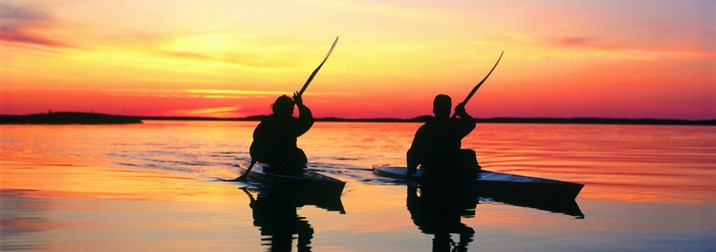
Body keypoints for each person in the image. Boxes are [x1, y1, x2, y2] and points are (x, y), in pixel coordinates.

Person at [406, 94, 479, 180]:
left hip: (451, 163)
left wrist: (463, 114)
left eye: (447, 108)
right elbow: (412, 152)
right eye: (442, 108)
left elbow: (470, 124)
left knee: (469, 153)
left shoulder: (453, 126)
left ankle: (471, 174)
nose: (445, 111)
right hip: (434, 165)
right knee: (469, 154)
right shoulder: (426, 129)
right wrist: (411, 167)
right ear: (435, 110)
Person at [249, 92, 314, 174]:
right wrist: (255, 155)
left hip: (289, 156)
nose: (291, 111)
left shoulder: (291, 123)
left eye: (291, 109)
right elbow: (257, 141)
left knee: (299, 154)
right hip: (271, 156)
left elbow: (307, 121)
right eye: (289, 109)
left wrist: (300, 105)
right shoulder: (268, 123)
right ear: (278, 108)